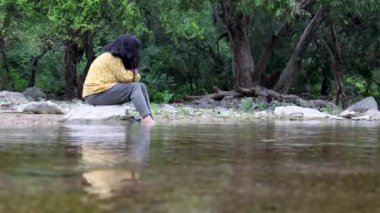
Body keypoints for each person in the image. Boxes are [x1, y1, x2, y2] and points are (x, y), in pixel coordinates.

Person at [82, 34, 156, 125]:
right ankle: (147, 119)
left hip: (100, 92)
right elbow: (126, 78)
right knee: (135, 87)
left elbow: (134, 80)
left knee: (142, 86)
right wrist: (134, 71)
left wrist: (133, 72)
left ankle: (150, 117)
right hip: (95, 94)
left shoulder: (115, 57)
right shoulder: (112, 58)